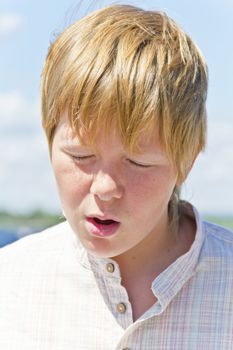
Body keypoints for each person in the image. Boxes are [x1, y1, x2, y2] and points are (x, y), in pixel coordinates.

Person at [0, 4, 232, 349]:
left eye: (138, 162)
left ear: (188, 159)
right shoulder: (10, 282)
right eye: (81, 156)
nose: (105, 188)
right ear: (49, 140)